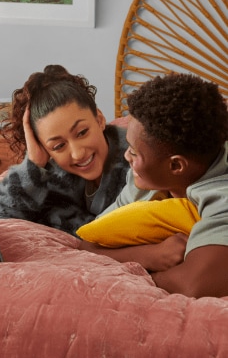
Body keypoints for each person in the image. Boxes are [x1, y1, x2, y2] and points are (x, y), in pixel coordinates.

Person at [79, 72, 228, 298]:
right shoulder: (142, 180)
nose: (127, 156)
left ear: (176, 166)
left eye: (135, 152)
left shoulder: (222, 195)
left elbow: (195, 284)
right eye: (128, 147)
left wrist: (148, 276)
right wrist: (150, 255)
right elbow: (89, 244)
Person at [0, 65, 129, 235]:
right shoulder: (53, 173)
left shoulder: (139, 162)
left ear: (100, 119)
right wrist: (33, 164)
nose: (77, 153)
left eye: (82, 132)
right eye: (59, 146)